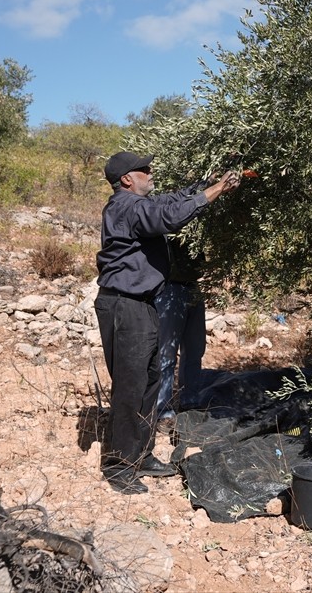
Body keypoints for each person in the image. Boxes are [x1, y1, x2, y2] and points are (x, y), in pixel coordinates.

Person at [94, 150, 240, 494]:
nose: (150, 172)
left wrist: (205, 182)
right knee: (130, 386)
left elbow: (172, 201)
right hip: (123, 306)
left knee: (149, 379)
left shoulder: (138, 204)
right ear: (127, 179)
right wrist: (214, 191)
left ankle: (140, 454)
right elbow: (169, 217)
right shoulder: (126, 206)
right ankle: (118, 466)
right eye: (143, 169)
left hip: (141, 304)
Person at [154, 232, 208, 435]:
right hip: (170, 288)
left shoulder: (195, 223)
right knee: (166, 353)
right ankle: (162, 412)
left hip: (193, 286)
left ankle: (190, 402)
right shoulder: (168, 216)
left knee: (195, 349)